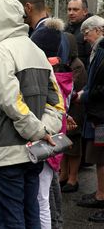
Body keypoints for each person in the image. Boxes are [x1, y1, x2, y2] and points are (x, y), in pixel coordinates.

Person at [0, 0, 64, 228]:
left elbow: (9, 100)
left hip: (4, 152)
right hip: (33, 151)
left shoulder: (1, 52)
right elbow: (56, 102)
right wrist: (44, 130)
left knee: (11, 220)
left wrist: (34, 131)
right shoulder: (37, 51)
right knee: (30, 213)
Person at [14, 0, 68, 228]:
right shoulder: (51, 32)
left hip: (45, 115)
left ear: (26, 8)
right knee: (48, 185)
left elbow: (40, 81)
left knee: (41, 195)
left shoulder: (42, 35)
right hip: (53, 111)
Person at [74, 15, 104, 223]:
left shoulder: (102, 51)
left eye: (87, 33)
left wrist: (86, 95)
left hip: (101, 112)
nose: (85, 38)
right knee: (100, 155)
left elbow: (100, 86)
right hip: (98, 113)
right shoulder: (98, 50)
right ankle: (101, 194)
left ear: (99, 30)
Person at [59, 32, 88, 193]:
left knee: (74, 146)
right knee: (63, 145)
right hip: (66, 110)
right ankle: (63, 175)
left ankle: (73, 178)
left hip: (75, 111)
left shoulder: (77, 65)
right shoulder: (65, 63)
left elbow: (71, 87)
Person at [66, 0, 92, 68]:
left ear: (85, 11)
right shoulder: (65, 29)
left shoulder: (91, 30)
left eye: (75, 10)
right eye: (69, 9)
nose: (71, 13)